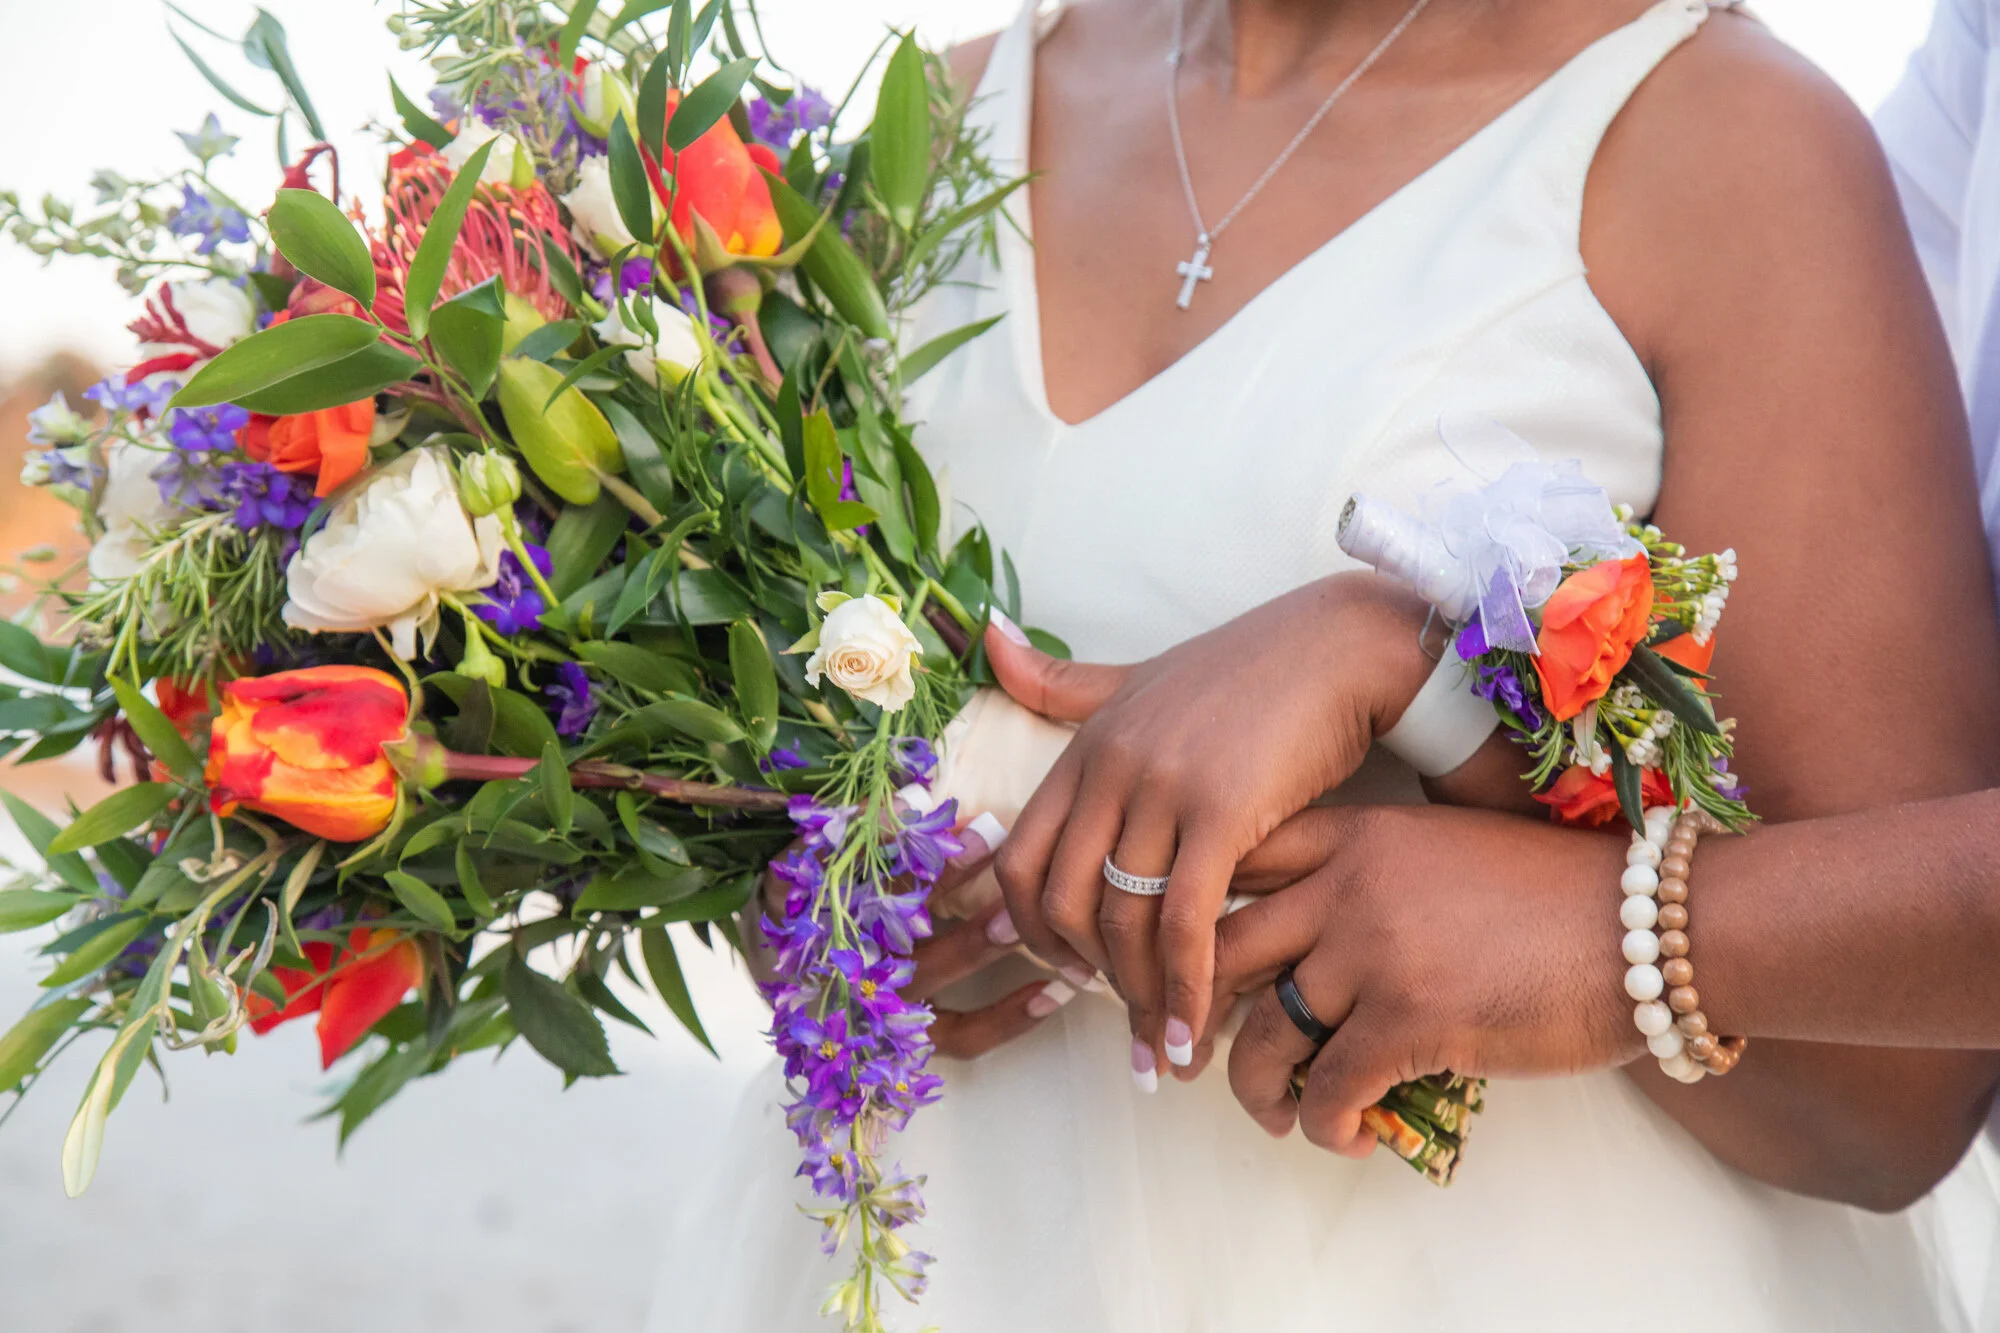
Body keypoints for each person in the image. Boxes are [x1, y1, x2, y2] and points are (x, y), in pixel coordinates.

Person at [647, 1, 2000, 1328]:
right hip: (921, 1248)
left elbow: (1891, 1101)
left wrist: (1437, 696)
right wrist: (790, 860)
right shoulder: (933, 124)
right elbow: (746, 719)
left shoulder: (1727, 146)